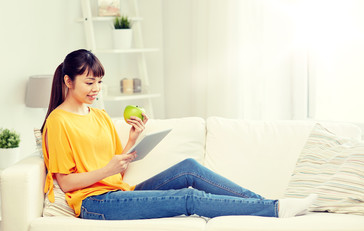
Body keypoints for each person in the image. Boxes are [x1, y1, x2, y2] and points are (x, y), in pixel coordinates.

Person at [41, 49, 317, 221]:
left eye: (99, 82)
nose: (96, 89)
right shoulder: (58, 122)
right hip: (95, 204)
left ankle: (266, 203)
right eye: (89, 82)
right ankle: (276, 209)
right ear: (68, 81)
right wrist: (107, 169)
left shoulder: (98, 115)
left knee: (189, 169)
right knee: (187, 197)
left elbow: (116, 170)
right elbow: (65, 183)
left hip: (118, 191)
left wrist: (133, 141)